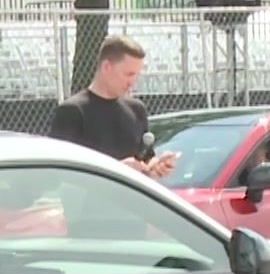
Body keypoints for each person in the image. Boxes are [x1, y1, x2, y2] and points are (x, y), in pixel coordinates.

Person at [48, 35, 177, 179]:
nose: (132, 82)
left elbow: (145, 158)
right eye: (128, 74)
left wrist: (155, 167)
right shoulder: (72, 112)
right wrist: (118, 168)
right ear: (106, 67)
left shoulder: (136, 109)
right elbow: (61, 171)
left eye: (136, 75)